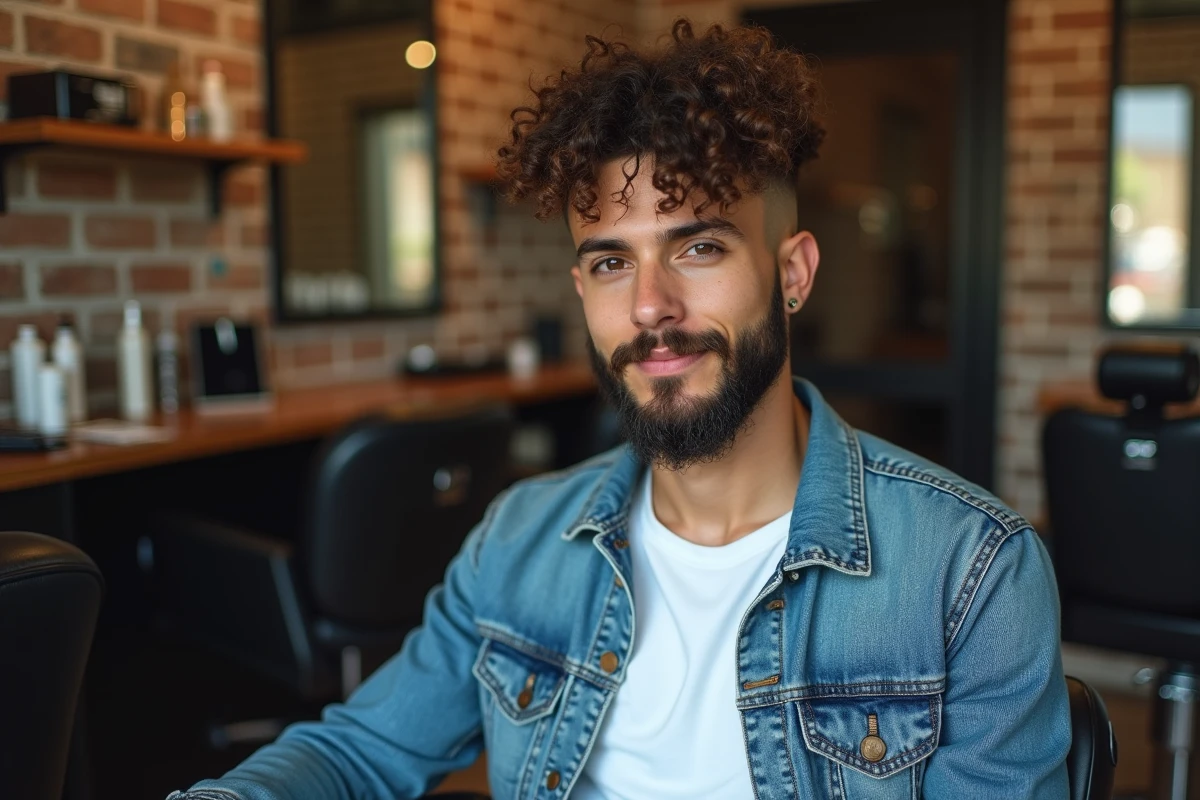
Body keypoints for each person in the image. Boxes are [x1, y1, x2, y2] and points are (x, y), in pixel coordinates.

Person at [169, 20, 1069, 800]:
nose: (648, 306)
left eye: (699, 247)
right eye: (611, 262)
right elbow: (360, 750)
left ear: (792, 273)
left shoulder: (969, 573)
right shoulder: (518, 542)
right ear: (581, 288)